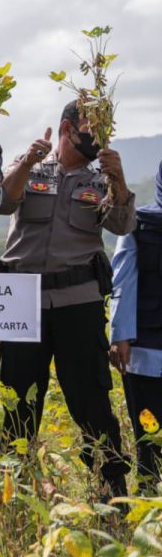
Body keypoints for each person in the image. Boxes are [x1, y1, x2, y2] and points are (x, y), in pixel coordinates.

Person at [0, 101, 134, 499]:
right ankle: (15, 492)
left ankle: (111, 489)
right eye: (89, 129)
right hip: (22, 302)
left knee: (91, 397)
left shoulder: (102, 178)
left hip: (79, 303)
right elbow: (2, 202)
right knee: (19, 398)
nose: (96, 138)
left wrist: (119, 180)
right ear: (67, 129)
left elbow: (123, 224)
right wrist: (25, 163)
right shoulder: (32, 168)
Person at [110, 159, 162, 491]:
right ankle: (148, 502)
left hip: (145, 346)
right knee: (148, 436)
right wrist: (120, 337)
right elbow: (123, 280)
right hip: (145, 349)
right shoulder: (139, 222)